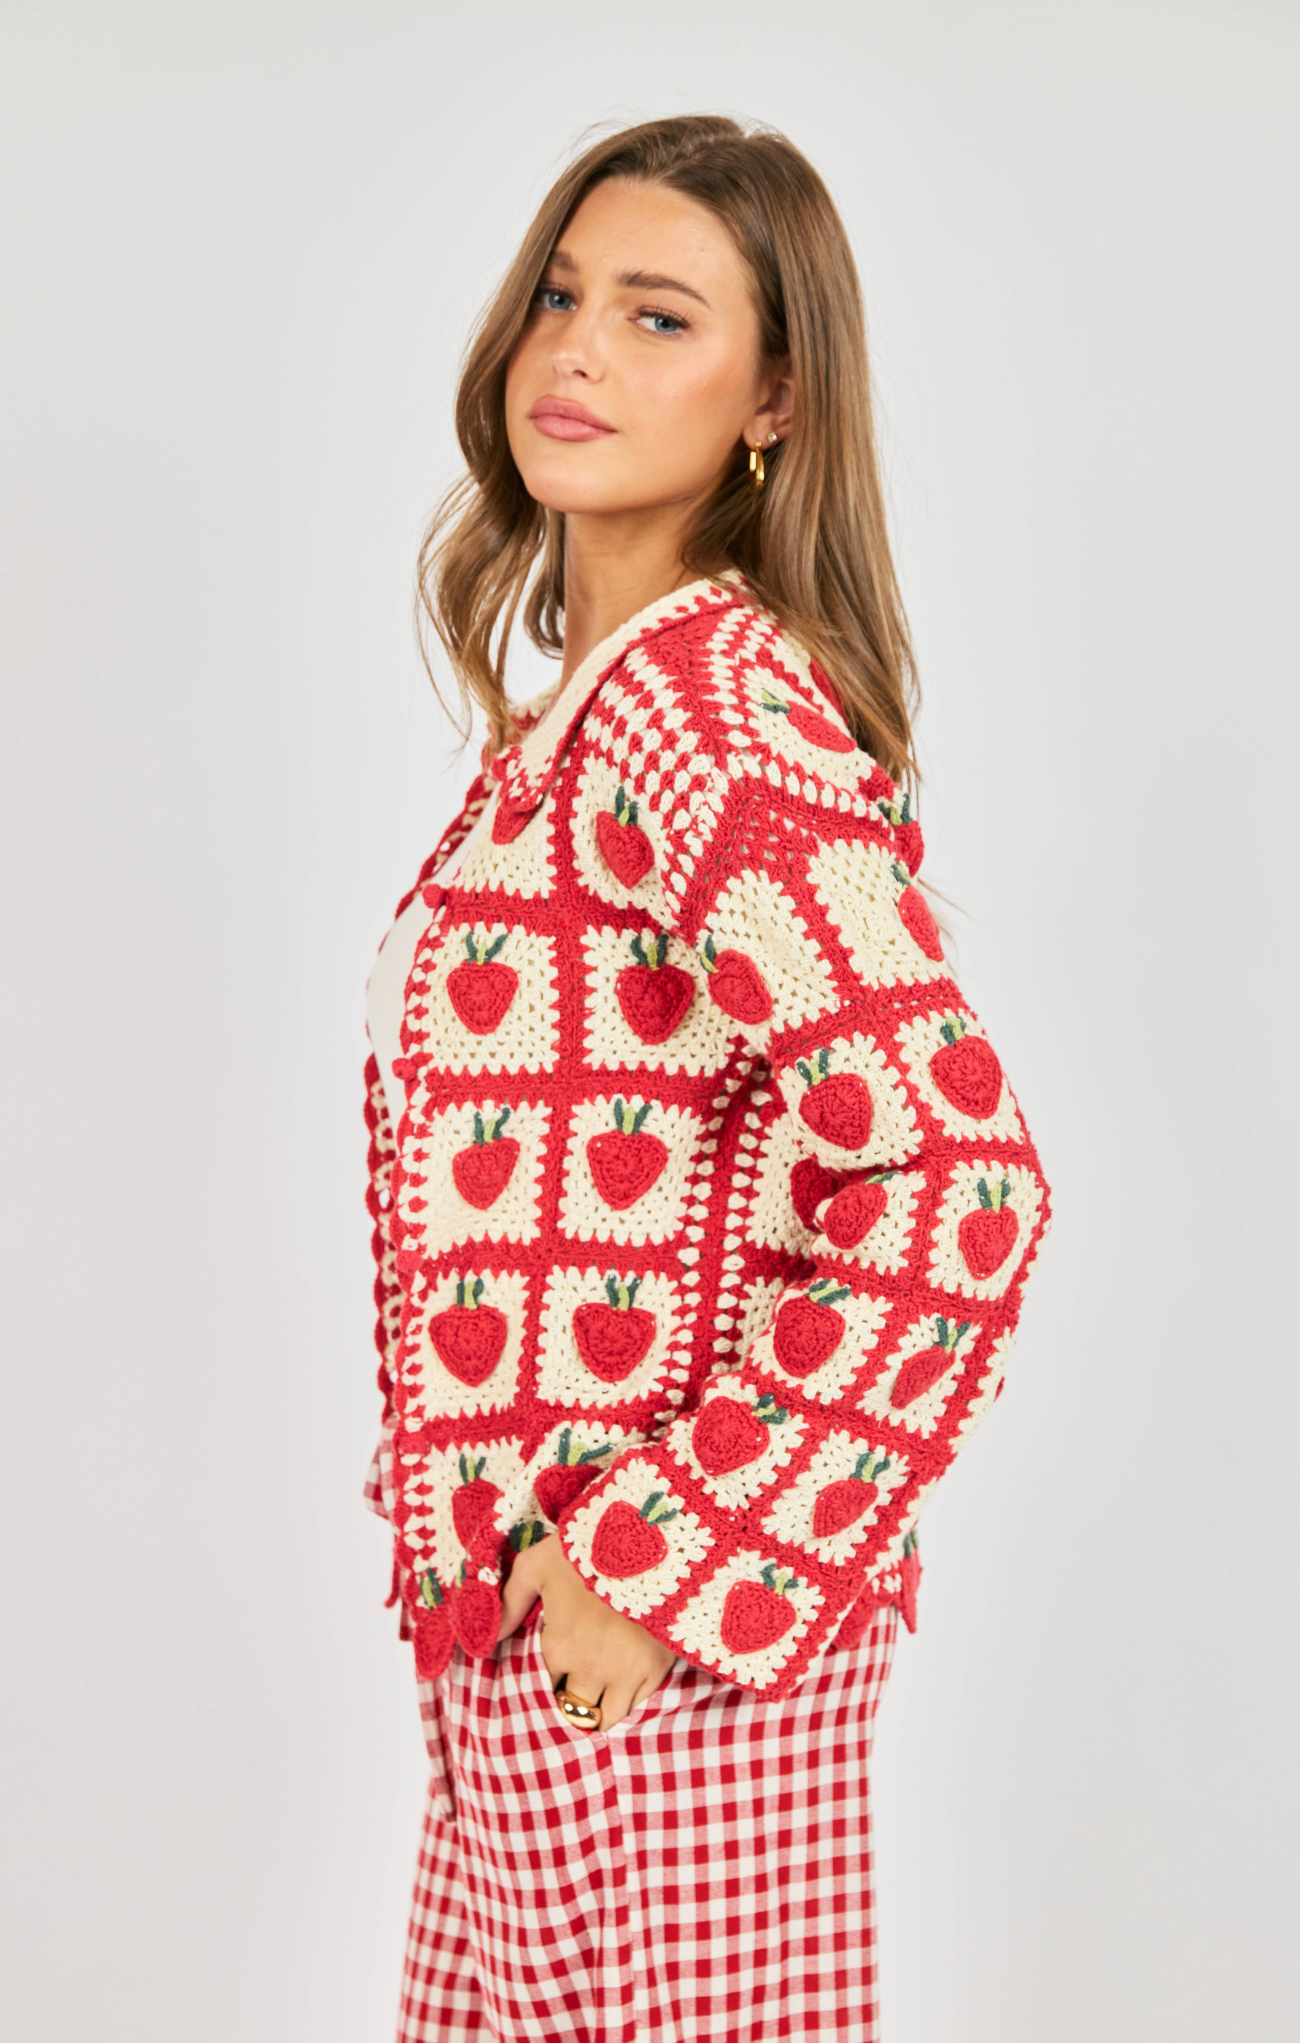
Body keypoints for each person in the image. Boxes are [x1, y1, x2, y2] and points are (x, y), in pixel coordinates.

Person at [363, 114, 1049, 2043]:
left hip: (660, 1673)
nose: (578, 352)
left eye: (660, 317)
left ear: (774, 402)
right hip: (530, 1645)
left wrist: (659, 1565)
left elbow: (958, 1182)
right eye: (561, 300)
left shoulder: (704, 710)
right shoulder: (594, 715)